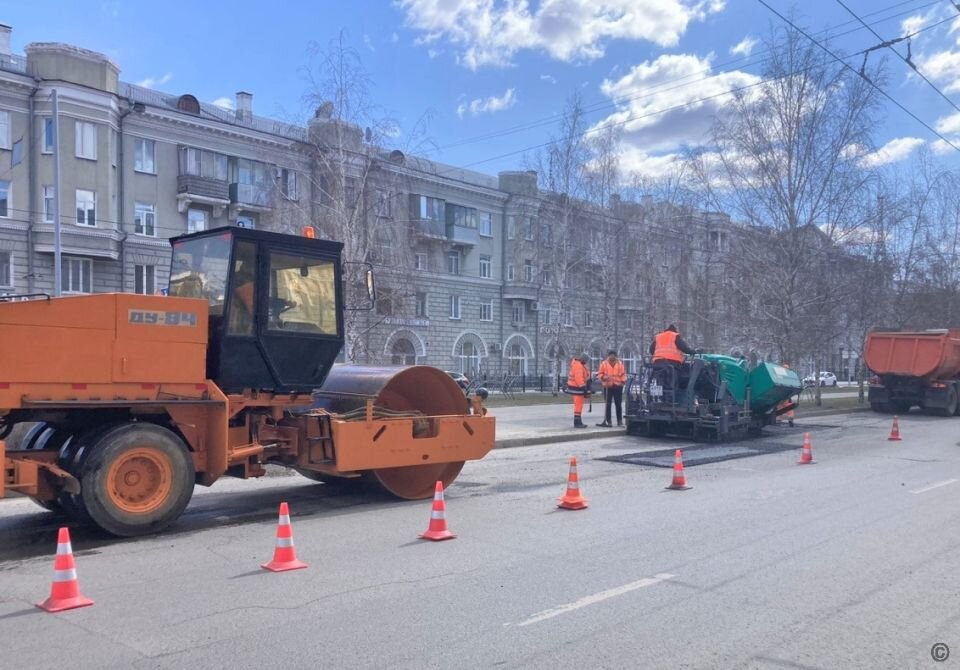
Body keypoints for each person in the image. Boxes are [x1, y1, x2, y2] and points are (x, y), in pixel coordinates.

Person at [596, 350, 626, 427]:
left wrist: (623, 381)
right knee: (607, 404)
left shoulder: (620, 364)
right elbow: (599, 374)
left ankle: (619, 421)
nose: (612, 357)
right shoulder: (604, 364)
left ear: (615, 356)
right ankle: (608, 421)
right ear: (608, 356)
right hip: (607, 386)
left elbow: (623, 374)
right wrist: (603, 377)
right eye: (611, 355)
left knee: (618, 404)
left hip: (617, 386)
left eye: (614, 355)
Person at [566, 354, 592, 428]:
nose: (586, 362)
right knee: (578, 405)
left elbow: (584, 376)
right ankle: (577, 422)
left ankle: (578, 421)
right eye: (586, 360)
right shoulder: (578, 366)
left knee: (579, 405)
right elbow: (579, 378)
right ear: (583, 359)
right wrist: (584, 388)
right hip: (577, 388)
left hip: (576, 388)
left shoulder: (580, 365)